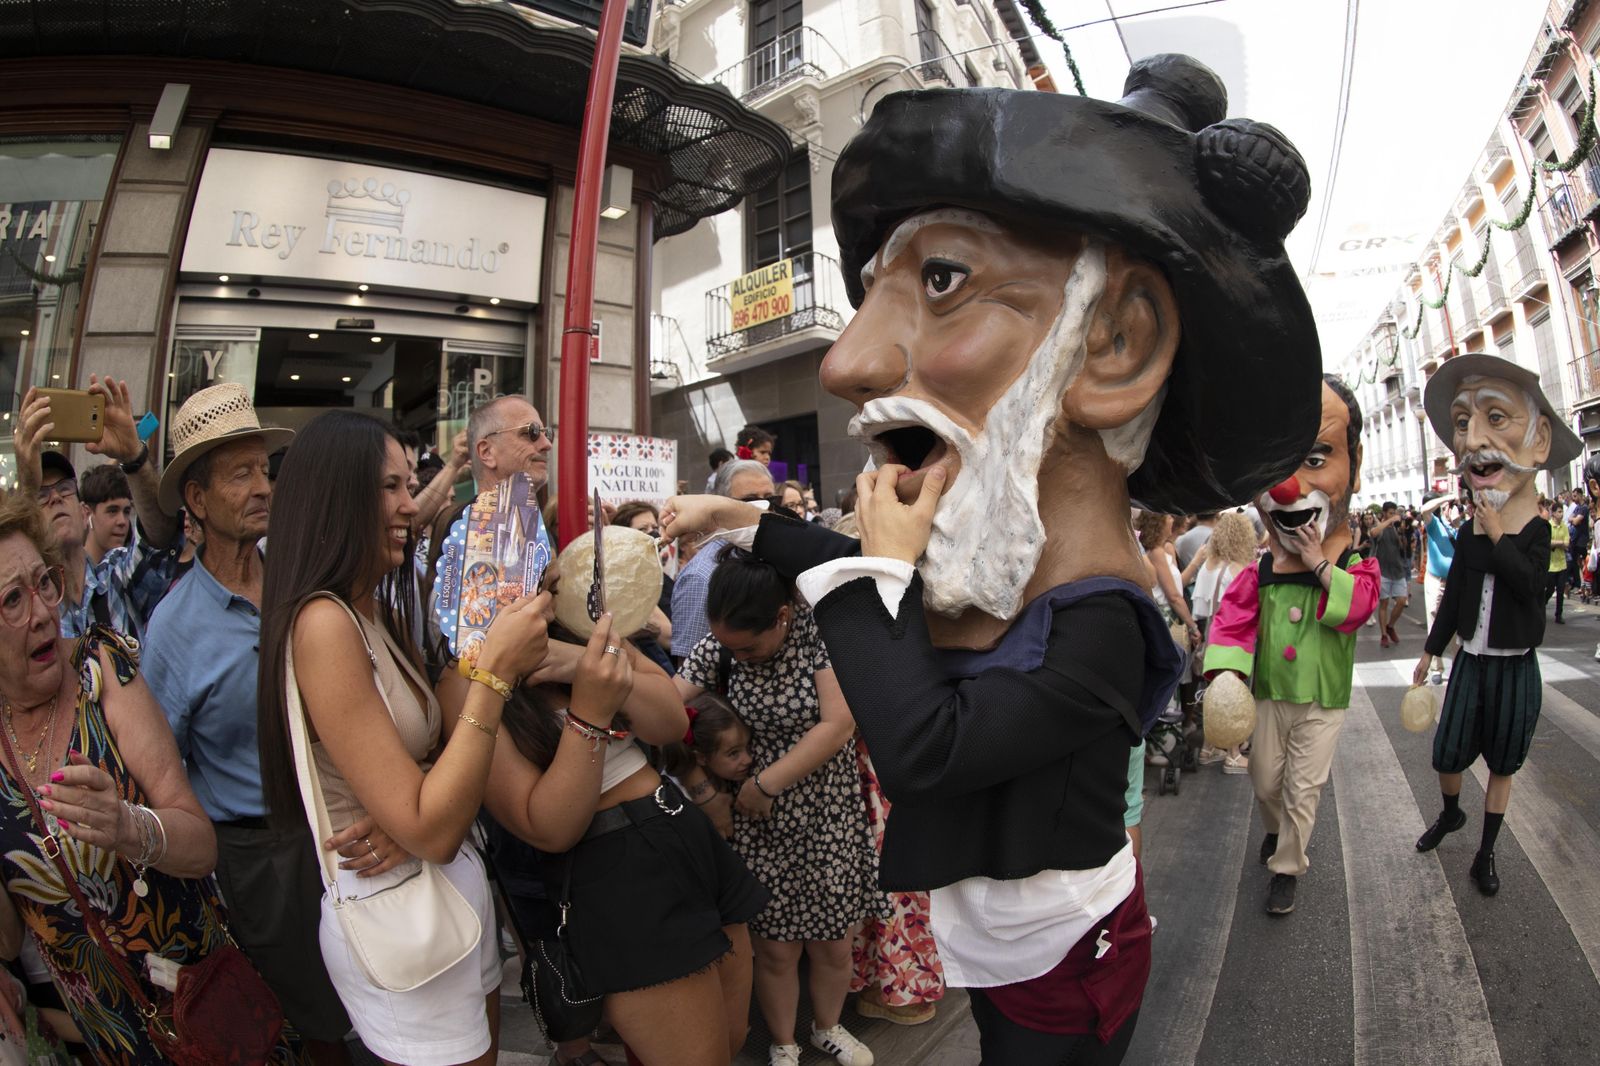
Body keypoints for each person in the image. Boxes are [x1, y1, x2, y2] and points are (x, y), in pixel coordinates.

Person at [662, 53, 1320, 1059]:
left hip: (1063, 960)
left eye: (942, 280)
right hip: (996, 952)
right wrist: (732, 518)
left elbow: (927, 747)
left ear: (1116, 345)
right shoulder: (993, 566)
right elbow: (834, 543)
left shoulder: (1100, 620)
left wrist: (875, 573)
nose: (845, 364)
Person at [257, 411, 549, 1064]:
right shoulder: (325, 625)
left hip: (446, 896)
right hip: (408, 920)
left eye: (407, 484)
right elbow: (431, 824)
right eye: (388, 487)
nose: (408, 504)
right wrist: (495, 676)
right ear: (338, 497)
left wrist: (410, 808)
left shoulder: (375, 611)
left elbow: (427, 787)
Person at [0, 493, 298, 1064]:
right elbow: (9, 940)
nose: (40, 612)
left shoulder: (102, 668)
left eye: (43, 583)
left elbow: (200, 843)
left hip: (204, 1003)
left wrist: (127, 826)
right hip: (109, 1035)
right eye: (12, 599)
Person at [141, 384, 354, 1062]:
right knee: (297, 1028)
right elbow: (157, 771)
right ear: (197, 501)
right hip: (256, 864)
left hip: (339, 833)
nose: (264, 487)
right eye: (241, 474)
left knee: (359, 1004)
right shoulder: (174, 630)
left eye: (265, 470)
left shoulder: (300, 586)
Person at [458, 608, 764, 1066]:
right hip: (617, 867)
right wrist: (591, 707)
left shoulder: (575, 621)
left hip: (679, 829)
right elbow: (548, 827)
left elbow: (670, 724)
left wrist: (576, 657)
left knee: (732, 1036)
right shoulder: (466, 673)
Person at [675, 549, 879, 1066]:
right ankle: (783, 1040)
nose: (736, 657)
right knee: (774, 948)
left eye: (747, 648)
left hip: (827, 814)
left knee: (834, 942)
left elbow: (837, 725)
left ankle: (828, 1027)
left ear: (782, 617)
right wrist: (703, 787)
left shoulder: (819, 634)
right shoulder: (722, 645)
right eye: (727, 648)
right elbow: (669, 706)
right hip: (755, 830)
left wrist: (763, 785)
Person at [1205, 377, 1380, 916]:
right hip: (1270, 695)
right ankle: (1277, 832)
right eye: (1275, 464)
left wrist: (1318, 564)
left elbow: (1360, 607)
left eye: (1314, 457)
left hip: (1322, 699)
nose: (1286, 488)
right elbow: (1232, 620)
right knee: (1264, 784)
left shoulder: (1354, 560)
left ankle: (1286, 869)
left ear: (1351, 461)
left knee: (1305, 789)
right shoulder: (1261, 567)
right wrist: (1227, 675)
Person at [1412, 354, 1579, 898]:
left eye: (1496, 418)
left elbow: (1532, 586)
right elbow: (1458, 592)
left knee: (1504, 765)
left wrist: (1499, 537)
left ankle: (1486, 854)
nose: (1472, 439)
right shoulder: (1468, 535)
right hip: (1470, 663)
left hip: (1513, 668)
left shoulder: (1536, 530)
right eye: (1462, 423)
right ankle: (1452, 813)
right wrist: (1431, 650)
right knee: (1446, 754)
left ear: (1538, 441)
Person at [12, 379, 181, 641]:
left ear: (83, 514)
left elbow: (161, 543)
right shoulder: (33, 612)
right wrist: (25, 491)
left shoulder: (117, 576)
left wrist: (133, 456)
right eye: (42, 496)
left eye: (65, 489)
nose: (55, 497)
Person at [669, 460, 775, 664]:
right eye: (750, 501)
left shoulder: (780, 553)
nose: (764, 508)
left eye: (771, 498)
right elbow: (690, 668)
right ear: (720, 506)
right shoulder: (701, 576)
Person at [1192, 511, 1259, 773]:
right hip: (1235, 641)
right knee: (1233, 701)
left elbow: (1200, 608)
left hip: (1213, 640)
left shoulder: (1208, 568)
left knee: (1215, 699)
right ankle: (1232, 755)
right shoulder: (1239, 570)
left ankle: (1209, 750)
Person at [1418, 492, 1459, 682]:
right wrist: (1447, 497)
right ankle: (1436, 667)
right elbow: (1424, 509)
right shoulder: (1433, 523)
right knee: (1434, 618)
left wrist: (1456, 522)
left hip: (1455, 580)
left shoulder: (1456, 527)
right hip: (1436, 578)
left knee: (1456, 625)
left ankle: (1457, 666)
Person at [78, 464, 133, 564]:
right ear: (86, 513)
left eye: (126, 512)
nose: (122, 521)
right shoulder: (71, 572)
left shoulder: (134, 573)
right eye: (112, 511)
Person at [1371, 501, 1408, 648]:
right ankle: (1383, 635)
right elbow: (1373, 533)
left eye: (1394, 513)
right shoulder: (1381, 526)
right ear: (1385, 513)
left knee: (1401, 601)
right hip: (1383, 571)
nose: (1393, 516)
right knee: (1384, 603)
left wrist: (1403, 534)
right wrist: (1389, 521)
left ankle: (1390, 626)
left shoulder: (1395, 529)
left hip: (1398, 570)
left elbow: (1401, 546)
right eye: (1391, 513)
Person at [1542, 498, 1568, 625]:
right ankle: (1542, 604)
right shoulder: (1549, 526)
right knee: (1550, 589)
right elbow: (1547, 543)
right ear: (1553, 513)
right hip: (1551, 565)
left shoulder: (1564, 526)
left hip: (1562, 563)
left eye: (1562, 511)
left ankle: (1559, 614)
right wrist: (1560, 543)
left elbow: (1567, 544)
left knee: (1561, 590)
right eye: (1558, 512)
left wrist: (1557, 544)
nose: (1561, 514)